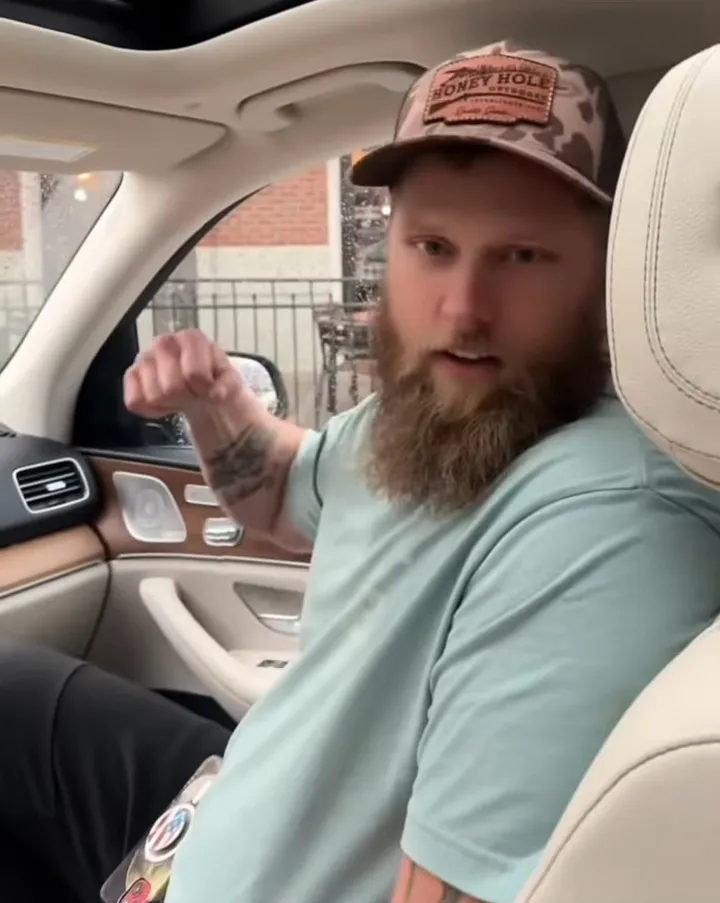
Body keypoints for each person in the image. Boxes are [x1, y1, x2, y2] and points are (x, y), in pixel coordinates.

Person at [2, 39, 720, 903]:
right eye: (433, 245)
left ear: (604, 272)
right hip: (224, 810)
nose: (463, 309)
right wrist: (214, 401)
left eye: (522, 256)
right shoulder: (414, 417)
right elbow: (284, 495)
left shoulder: (610, 521)